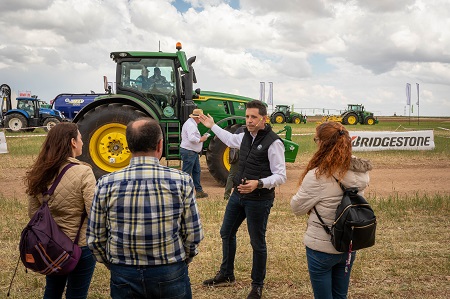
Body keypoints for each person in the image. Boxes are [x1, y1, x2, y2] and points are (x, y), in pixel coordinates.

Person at [87, 118, 204, 299]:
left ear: (128, 146)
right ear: (160, 145)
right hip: (169, 269)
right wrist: (183, 259)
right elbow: (193, 234)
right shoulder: (181, 180)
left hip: (123, 271)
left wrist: (114, 264)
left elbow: (95, 238)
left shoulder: (105, 183)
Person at [199, 100, 287, 299]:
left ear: (264, 118)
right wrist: (212, 126)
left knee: (257, 242)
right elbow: (230, 140)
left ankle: (257, 285)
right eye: (247, 116)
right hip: (238, 195)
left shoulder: (274, 143)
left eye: (254, 117)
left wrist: (259, 183)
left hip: (259, 199)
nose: (249, 121)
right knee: (226, 232)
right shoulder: (245, 135)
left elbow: (281, 176)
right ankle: (227, 274)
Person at [290, 121, 373, 299]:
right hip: (349, 245)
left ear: (322, 144)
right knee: (340, 295)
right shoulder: (360, 173)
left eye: (316, 140)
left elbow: (296, 208)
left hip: (321, 247)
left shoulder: (317, 176)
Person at [25, 122, 97, 299]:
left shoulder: (40, 172)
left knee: (52, 291)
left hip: (50, 245)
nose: (82, 142)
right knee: (77, 294)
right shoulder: (84, 172)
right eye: (80, 138)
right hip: (79, 246)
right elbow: (94, 212)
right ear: (73, 142)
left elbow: (34, 213)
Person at [180, 108, 209, 198]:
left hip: (192, 151)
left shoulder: (191, 123)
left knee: (196, 171)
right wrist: (201, 139)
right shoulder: (191, 125)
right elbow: (192, 138)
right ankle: (182, 193)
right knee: (186, 173)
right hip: (190, 151)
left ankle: (199, 191)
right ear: (198, 118)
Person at [223, 125, 245, 200]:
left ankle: (227, 194)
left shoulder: (239, 129)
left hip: (236, 153)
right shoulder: (246, 131)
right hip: (241, 153)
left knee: (232, 174)